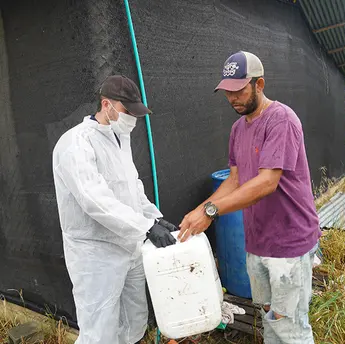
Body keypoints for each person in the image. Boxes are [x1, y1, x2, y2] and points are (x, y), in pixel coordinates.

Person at [179, 52, 321, 344]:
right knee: (269, 314)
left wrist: (210, 212)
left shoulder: (281, 120)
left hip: (288, 241)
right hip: (257, 240)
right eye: (227, 92)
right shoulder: (237, 129)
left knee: (290, 326)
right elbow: (235, 179)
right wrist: (198, 210)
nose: (232, 98)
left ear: (260, 84)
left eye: (239, 90)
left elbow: (267, 182)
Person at [53, 75, 177, 344]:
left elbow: (131, 187)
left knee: (134, 322)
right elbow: (94, 199)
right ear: (106, 104)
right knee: (99, 330)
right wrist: (146, 227)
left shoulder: (119, 139)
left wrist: (154, 216)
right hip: (96, 255)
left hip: (129, 247)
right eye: (126, 111)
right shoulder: (77, 143)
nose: (132, 118)